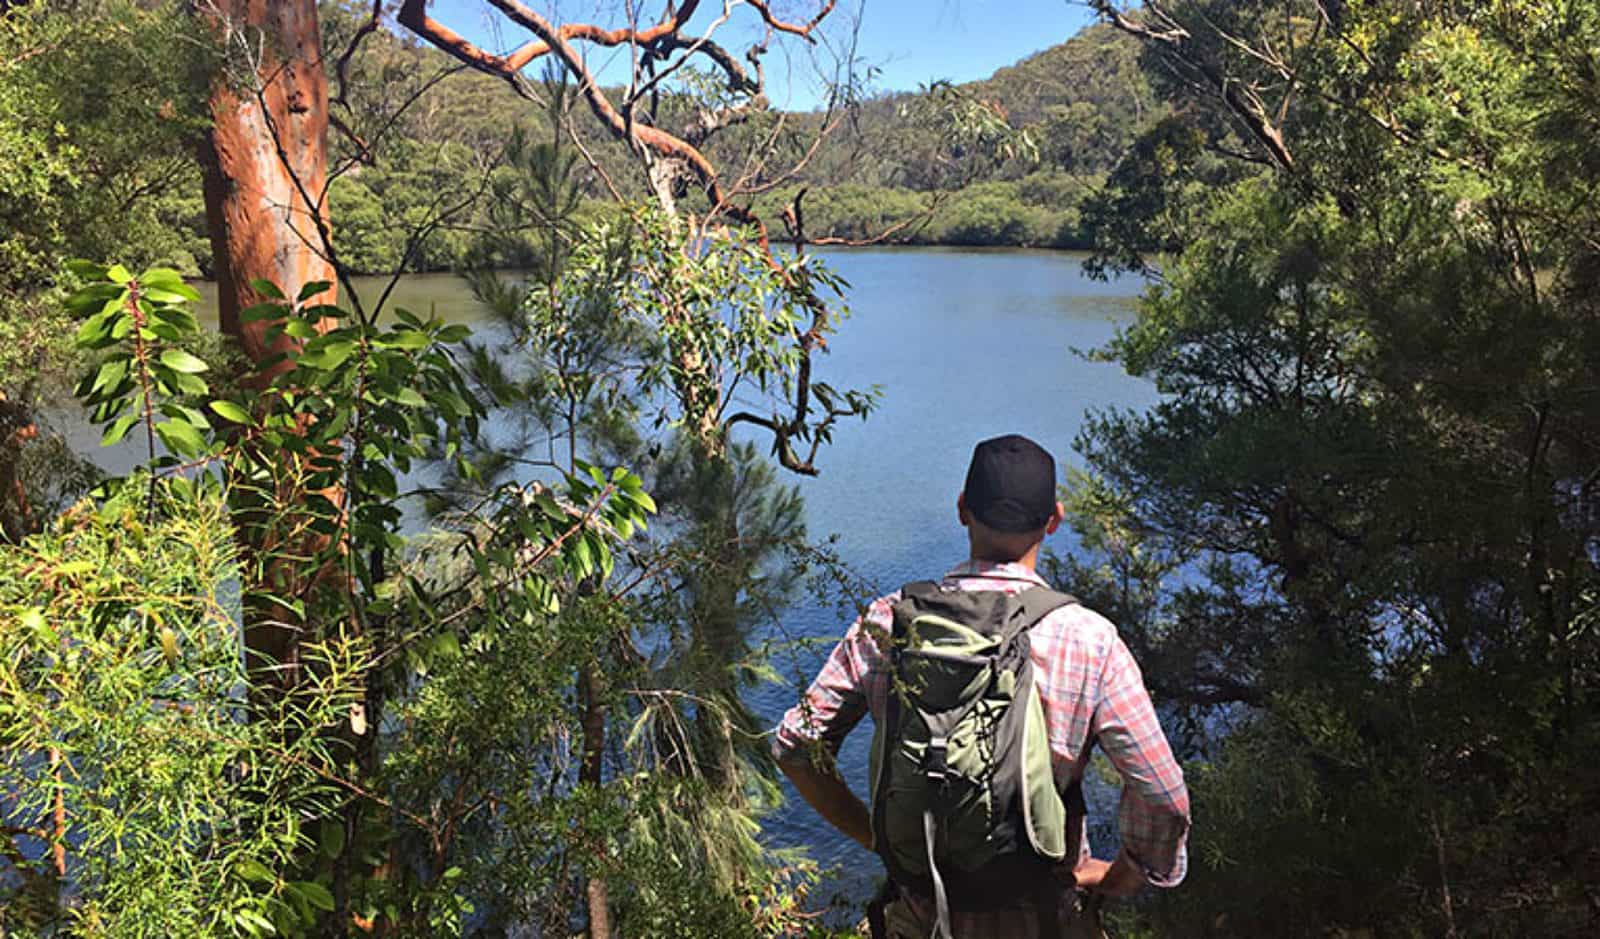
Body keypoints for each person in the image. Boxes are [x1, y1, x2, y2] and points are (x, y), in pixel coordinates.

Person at [773, 434, 1191, 938]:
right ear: (1054, 520)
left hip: (920, 916)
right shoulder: (1089, 639)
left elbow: (796, 746)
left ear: (962, 510)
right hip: (1043, 916)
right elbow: (1164, 797)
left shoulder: (890, 621)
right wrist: (1126, 873)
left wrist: (878, 840)